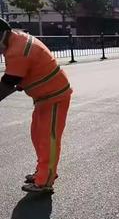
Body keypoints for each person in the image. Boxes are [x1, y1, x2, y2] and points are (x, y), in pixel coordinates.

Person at [0, 19, 72, 194]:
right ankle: (44, 172)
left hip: (55, 96)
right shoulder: (16, 39)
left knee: (48, 139)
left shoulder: (17, 51)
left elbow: (8, 83)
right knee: (38, 136)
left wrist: (18, 83)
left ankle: (44, 182)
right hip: (44, 97)